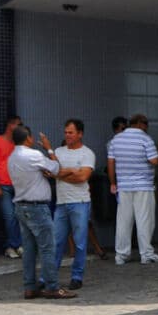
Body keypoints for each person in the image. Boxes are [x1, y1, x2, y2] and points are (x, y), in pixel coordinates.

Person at [8, 125, 76, 300]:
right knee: (47, 248)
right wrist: (48, 147)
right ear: (29, 138)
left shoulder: (11, 157)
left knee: (29, 249)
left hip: (20, 206)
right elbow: (56, 168)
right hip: (37, 207)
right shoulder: (33, 155)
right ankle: (52, 287)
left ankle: (30, 287)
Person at [107, 114, 158, 265]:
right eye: (146, 125)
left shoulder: (116, 139)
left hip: (123, 186)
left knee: (123, 221)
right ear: (141, 124)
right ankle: (146, 254)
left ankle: (121, 255)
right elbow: (154, 160)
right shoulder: (145, 139)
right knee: (144, 220)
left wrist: (113, 183)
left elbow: (111, 163)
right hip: (143, 186)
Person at [52, 119, 95, 290]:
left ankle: (77, 276)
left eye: (71, 132)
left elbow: (83, 177)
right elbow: (51, 172)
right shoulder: (58, 151)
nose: (67, 135)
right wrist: (71, 172)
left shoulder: (87, 153)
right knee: (56, 242)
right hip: (61, 202)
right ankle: (49, 276)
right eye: (66, 132)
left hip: (80, 202)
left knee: (79, 242)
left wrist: (61, 174)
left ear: (80, 134)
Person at [0, 114, 23, 258]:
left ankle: (12, 245)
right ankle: (15, 245)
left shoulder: (18, 144)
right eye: (17, 125)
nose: (19, 128)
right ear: (10, 125)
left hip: (18, 184)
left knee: (19, 216)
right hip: (3, 185)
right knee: (10, 216)